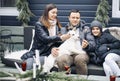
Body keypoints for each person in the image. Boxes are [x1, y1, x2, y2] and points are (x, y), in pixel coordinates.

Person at [20, 3, 70, 70]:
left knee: (38, 66)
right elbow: (45, 38)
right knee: (27, 66)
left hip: (48, 53)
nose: (55, 15)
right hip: (38, 52)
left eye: (56, 13)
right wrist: (60, 38)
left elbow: (57, 43)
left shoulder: (57, 25)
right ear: (47, 13)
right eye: (53, 12)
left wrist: (54, 47)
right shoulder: (39, 25)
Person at [53, 9, 95, 75]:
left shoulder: (86, 29)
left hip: (81, 53)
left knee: (79, 59)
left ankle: (81, 80)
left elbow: (92, 43)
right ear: (69, 18)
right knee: (61, 59)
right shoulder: (63, 30)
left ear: (79, 18)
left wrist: (87, 45)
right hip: (68, 54)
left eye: (77, 18)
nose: (75, 20)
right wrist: (53, 48)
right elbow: (56, 42)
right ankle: (64, 79)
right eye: (73, 17)